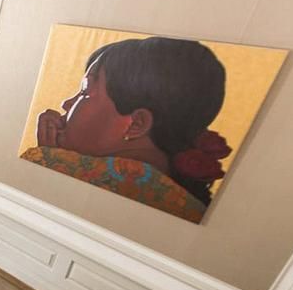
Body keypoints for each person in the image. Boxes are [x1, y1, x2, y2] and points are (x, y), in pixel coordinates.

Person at [22, 37, 231, 223]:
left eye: (84, 91)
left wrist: (49, 161)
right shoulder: (189, 207)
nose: (66, 104)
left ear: (135, 124)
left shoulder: (55, 165)